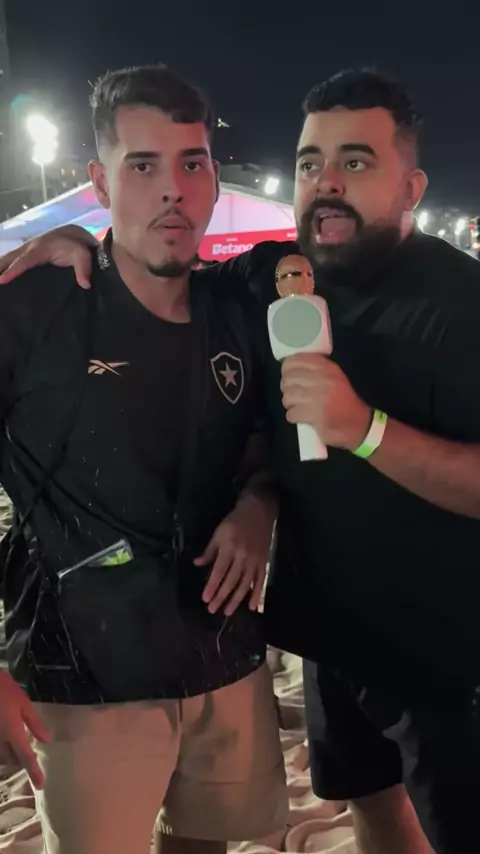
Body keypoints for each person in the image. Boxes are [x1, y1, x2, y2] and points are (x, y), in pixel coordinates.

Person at [5, 68, 480, 854]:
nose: (327, 183)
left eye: (356, 161)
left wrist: (324, 457)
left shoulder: (447, 302)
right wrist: (67, 239)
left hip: (420, 650)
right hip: (298, 643)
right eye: (309, 162)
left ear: (412, 187)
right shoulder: (257, 282)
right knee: (373, 806)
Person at [0, 64, 288, 854]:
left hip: (225, 656)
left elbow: (264, 443)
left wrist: (260, 507)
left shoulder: (238, 308)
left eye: (192, 162)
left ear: (215, 176)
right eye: (142, 165)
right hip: (83, 678)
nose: (173, 190)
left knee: (206, 845)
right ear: (99, 182)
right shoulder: (34, 306)